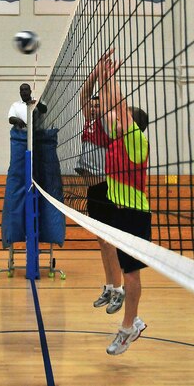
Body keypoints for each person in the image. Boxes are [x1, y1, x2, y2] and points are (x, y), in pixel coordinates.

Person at [97, 50, 151, 355]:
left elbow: (118, 108)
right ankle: (131, 321)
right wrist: (103, 79)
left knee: (131, 274)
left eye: (121, 118)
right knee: (126, 270)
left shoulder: (134, 139)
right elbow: (109, 108)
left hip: (134, 215)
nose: (113, 119)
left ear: (131, 124)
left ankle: (130, 326)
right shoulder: (117, 138)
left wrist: (112, 76)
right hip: (118, 214)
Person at [78, 60, 125, 314]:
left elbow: (111, 105)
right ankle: (109, 286)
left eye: (98, 105)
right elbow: (83, 95)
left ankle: (118, 290)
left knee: (109, 242)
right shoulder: (89, 122)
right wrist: (95, 73)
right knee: (101, 241)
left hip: (106, 188)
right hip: (92, 191)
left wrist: (106, 79)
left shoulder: (108, 125)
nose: (93, 107)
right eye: (92, 105)